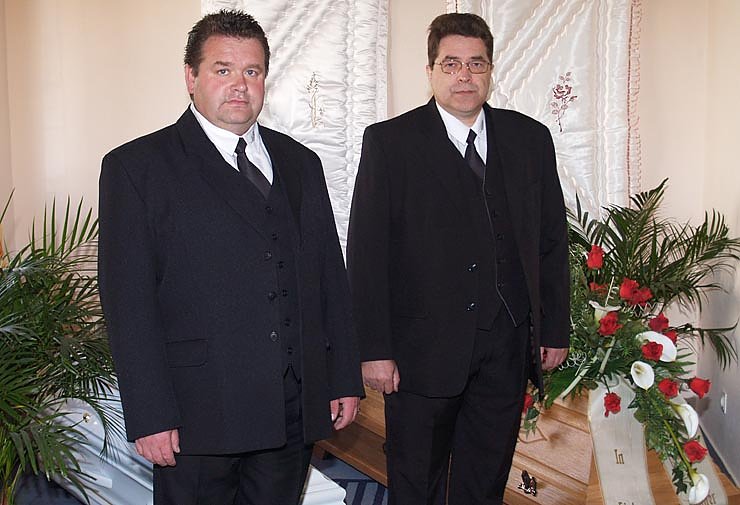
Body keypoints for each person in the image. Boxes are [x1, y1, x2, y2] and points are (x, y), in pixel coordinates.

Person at [98, 10, 362, 505]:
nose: (240, 85)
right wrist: (151, 414)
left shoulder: (301, 163)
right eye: (223, 69)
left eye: (252, 71)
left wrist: (343, 377)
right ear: (191, 77)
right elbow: (128, 304)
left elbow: (329, 277)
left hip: (292, 410)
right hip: (197, 415)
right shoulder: (135, 168)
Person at [346, 12, 570, 505]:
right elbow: (366, 253)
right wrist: (373, 349)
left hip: (506, 346)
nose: (464, 75)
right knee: (416, 483)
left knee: (485, 481)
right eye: (451, 64)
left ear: (490, 70)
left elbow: (551, 241)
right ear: (430, 71)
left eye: (476, 64)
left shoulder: (530, 140)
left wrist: (554, 329)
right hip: (421, 353)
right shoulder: (390, 143)